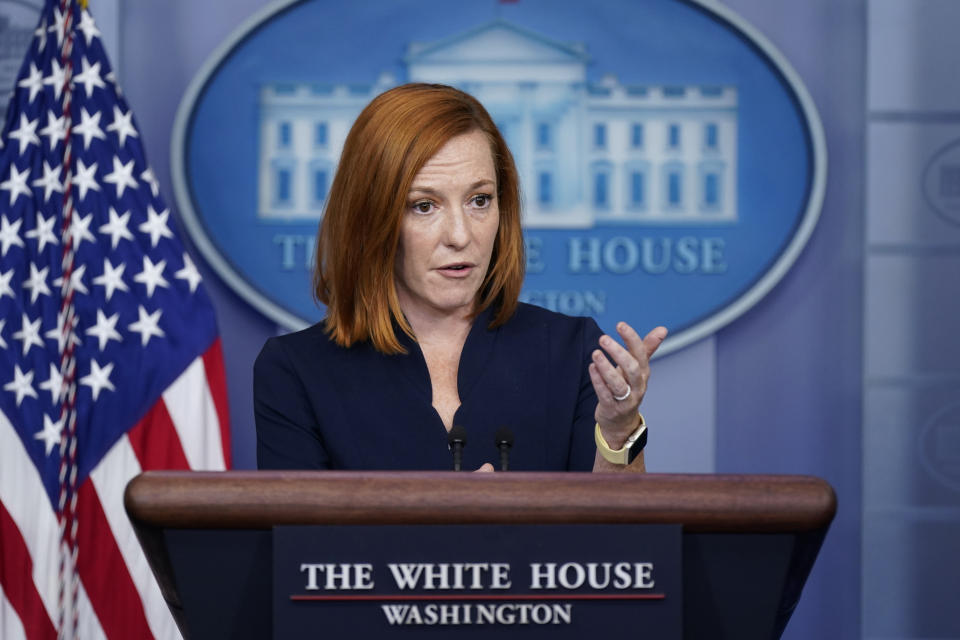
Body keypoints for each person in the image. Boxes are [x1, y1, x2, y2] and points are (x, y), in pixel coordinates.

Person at [254, 83, 667, 472]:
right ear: (371, 218)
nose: (460, 235)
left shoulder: (572, 350)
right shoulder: (295, 372)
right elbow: (302, 545)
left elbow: (620, 536)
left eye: (479, 200)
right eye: (424, 206)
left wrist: (619, 430)